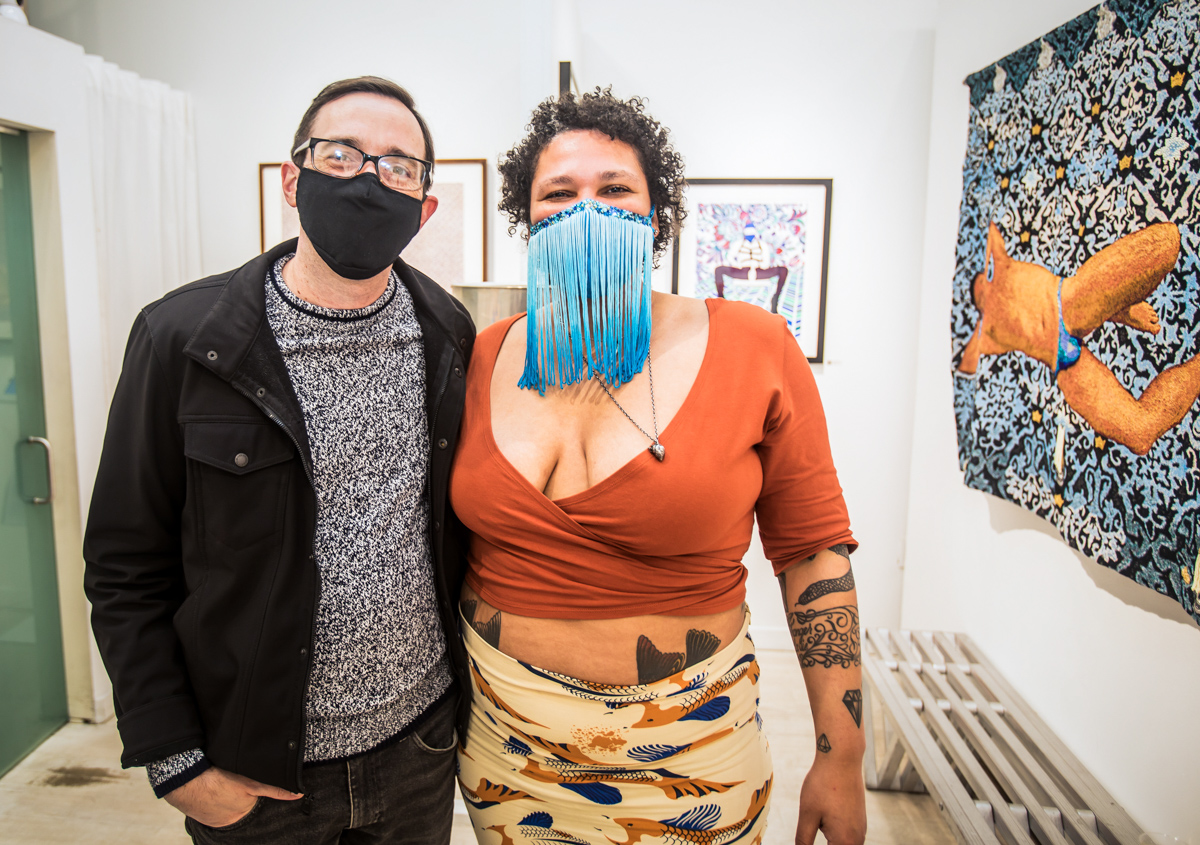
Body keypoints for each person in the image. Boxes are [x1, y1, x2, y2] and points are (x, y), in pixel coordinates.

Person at [450, 89, 867, 845]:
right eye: (558, 194)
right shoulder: (482, 353)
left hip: (692, 754)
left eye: (615, 189)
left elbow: (815, 554)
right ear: (526, 217)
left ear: (656, 213)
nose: (587, 210)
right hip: (507, 752)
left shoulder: (753, 345)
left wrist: (842, 758)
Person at [83, 76, 475, 844]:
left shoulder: (447, 333)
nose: (369, 179)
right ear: (293, 180)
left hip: (418, 751)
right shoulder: (184, 340)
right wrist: (174, 758)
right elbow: (125, 563)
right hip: (255, 772)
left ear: (424, 207)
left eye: (397, 166)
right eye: (342, 155)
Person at [958, 221, 1186, 455]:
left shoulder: (1003, 267)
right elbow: (966, 366)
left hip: (1068, 302)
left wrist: (982, 259)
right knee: (1140, 434)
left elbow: (989, 230)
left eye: (982, 282)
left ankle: (1119, 310)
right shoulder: (986, 331)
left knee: (1166, 241)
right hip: (1064, 359)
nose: (984, 290)